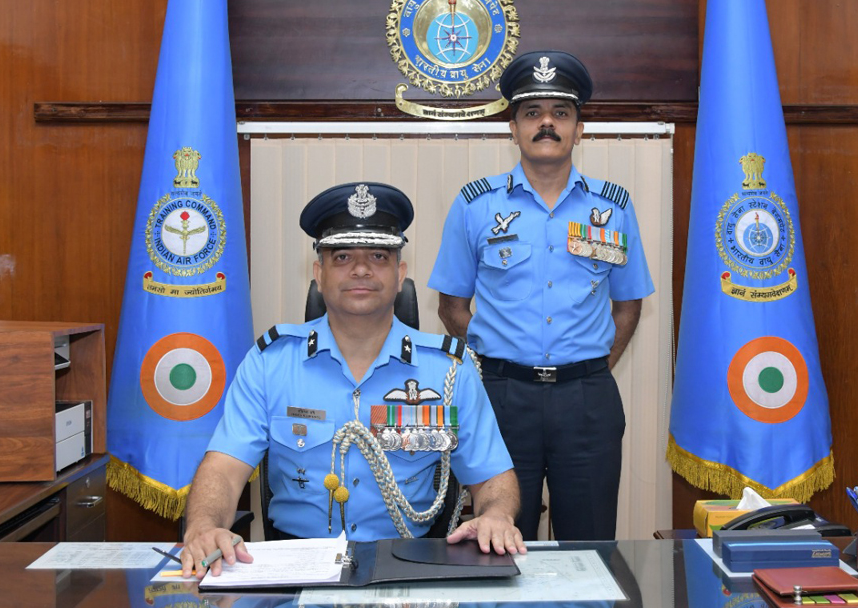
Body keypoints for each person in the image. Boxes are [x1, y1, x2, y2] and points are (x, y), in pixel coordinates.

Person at [181, 182, 526, 577]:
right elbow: (223, 469)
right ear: (318, 274)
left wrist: (497, 515)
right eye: (342, 256)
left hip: (412, 565)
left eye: (378, 256)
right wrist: (205, 525)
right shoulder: (270, 363)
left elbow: (494, 478)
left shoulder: (450, 369)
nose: (360, 269)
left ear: (400, 275)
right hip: (295, 566)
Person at [429, 50, 655, 541]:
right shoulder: (475, 205)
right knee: (498, 540)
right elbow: (451, 306)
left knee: (592, 544)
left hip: (587, 400)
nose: (547, 124)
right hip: (502, 399)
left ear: (579, 129)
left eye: (561, 113)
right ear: (512, 128)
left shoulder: (612, 208)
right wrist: (500, 361)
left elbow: (628, 305)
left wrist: (588, 366)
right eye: (532, 113)